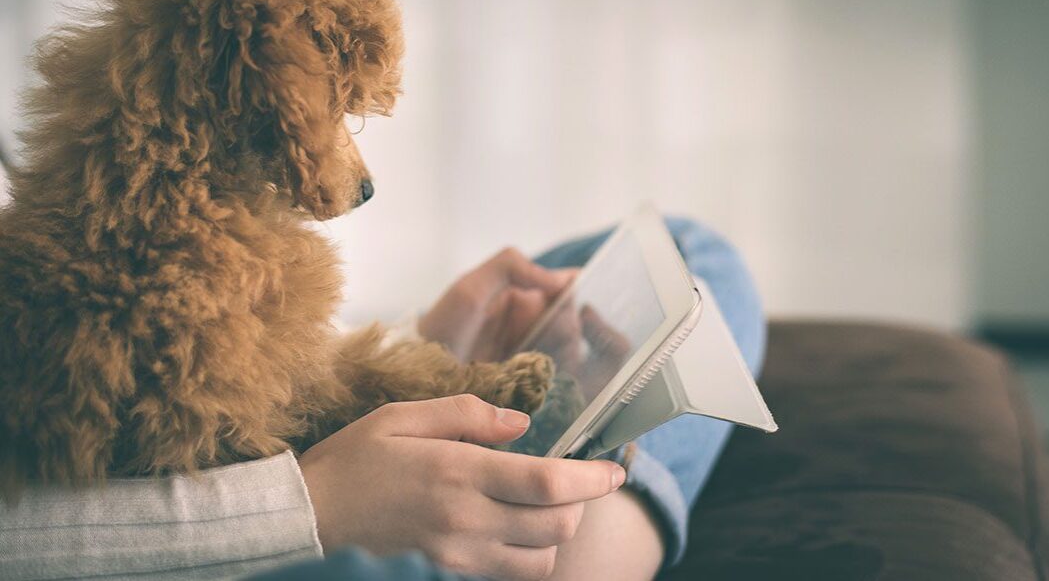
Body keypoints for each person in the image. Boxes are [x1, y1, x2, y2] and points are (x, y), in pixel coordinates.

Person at [0, 216, 765, 581]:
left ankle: (548, 506)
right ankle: (589, 550)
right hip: (267, 524)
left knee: (688, 252)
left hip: (249, 446)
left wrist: (420, 351)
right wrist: (313, 507)